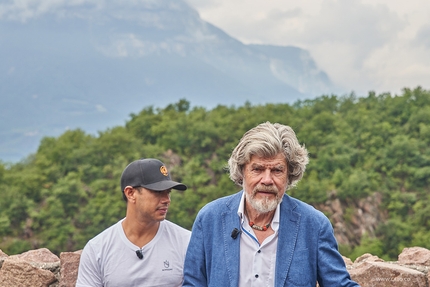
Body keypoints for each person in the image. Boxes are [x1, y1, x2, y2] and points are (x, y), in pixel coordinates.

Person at [183, 122, 360, 287]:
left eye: (277, 170)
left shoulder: (313, 225)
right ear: (242, 171)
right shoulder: (210, 219)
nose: (267, 180)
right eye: (257, 169)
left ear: (289, 175)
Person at [76, 158, 190, 287]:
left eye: (168, 192)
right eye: (158, 192)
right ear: (130, 193)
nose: (166, 200)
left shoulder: (187, 243)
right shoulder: (97, 249)